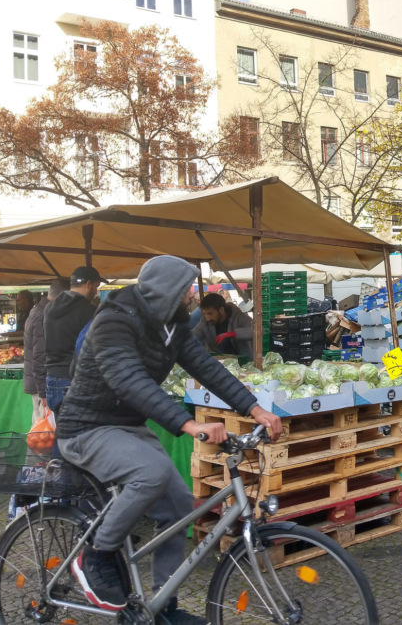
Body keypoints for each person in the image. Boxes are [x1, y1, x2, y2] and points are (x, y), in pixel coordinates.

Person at [57, 256, 282, 620]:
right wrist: (189, 425)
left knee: (179, 507)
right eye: (186, 290)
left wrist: (255, 409)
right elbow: (128, 379)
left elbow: (207, 367)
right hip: (86, 427)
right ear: (167, 291)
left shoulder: (172, 325)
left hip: (127, 425)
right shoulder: (113, 320)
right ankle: (95, 556)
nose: (190, 297)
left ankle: (162, 606)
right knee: (152, 472)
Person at [43, 266, 102, 414]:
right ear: (88, 284)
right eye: (96, 287)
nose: (95, 291)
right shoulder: (88, 311)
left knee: (62, 431)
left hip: (52, 378)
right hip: (74, 379)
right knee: (80, 433)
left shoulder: (49, 308)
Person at [22, 278, 68, 424]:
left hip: (38, 382)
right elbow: (40, 355)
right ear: (63, 296)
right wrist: (43, 391)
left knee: (40, 431)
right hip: (41, 385)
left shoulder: (39, 309)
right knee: (43, 434)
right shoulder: (45, 314)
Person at [191, 292, 255, 357]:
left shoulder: (239, 316)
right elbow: (194, 335)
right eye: (205, 314)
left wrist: (232, 334)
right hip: (219, 362)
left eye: (210, 314)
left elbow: (258, 330)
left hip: (242, 361)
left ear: (221, 310)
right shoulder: (205, 322)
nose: (208, 318)